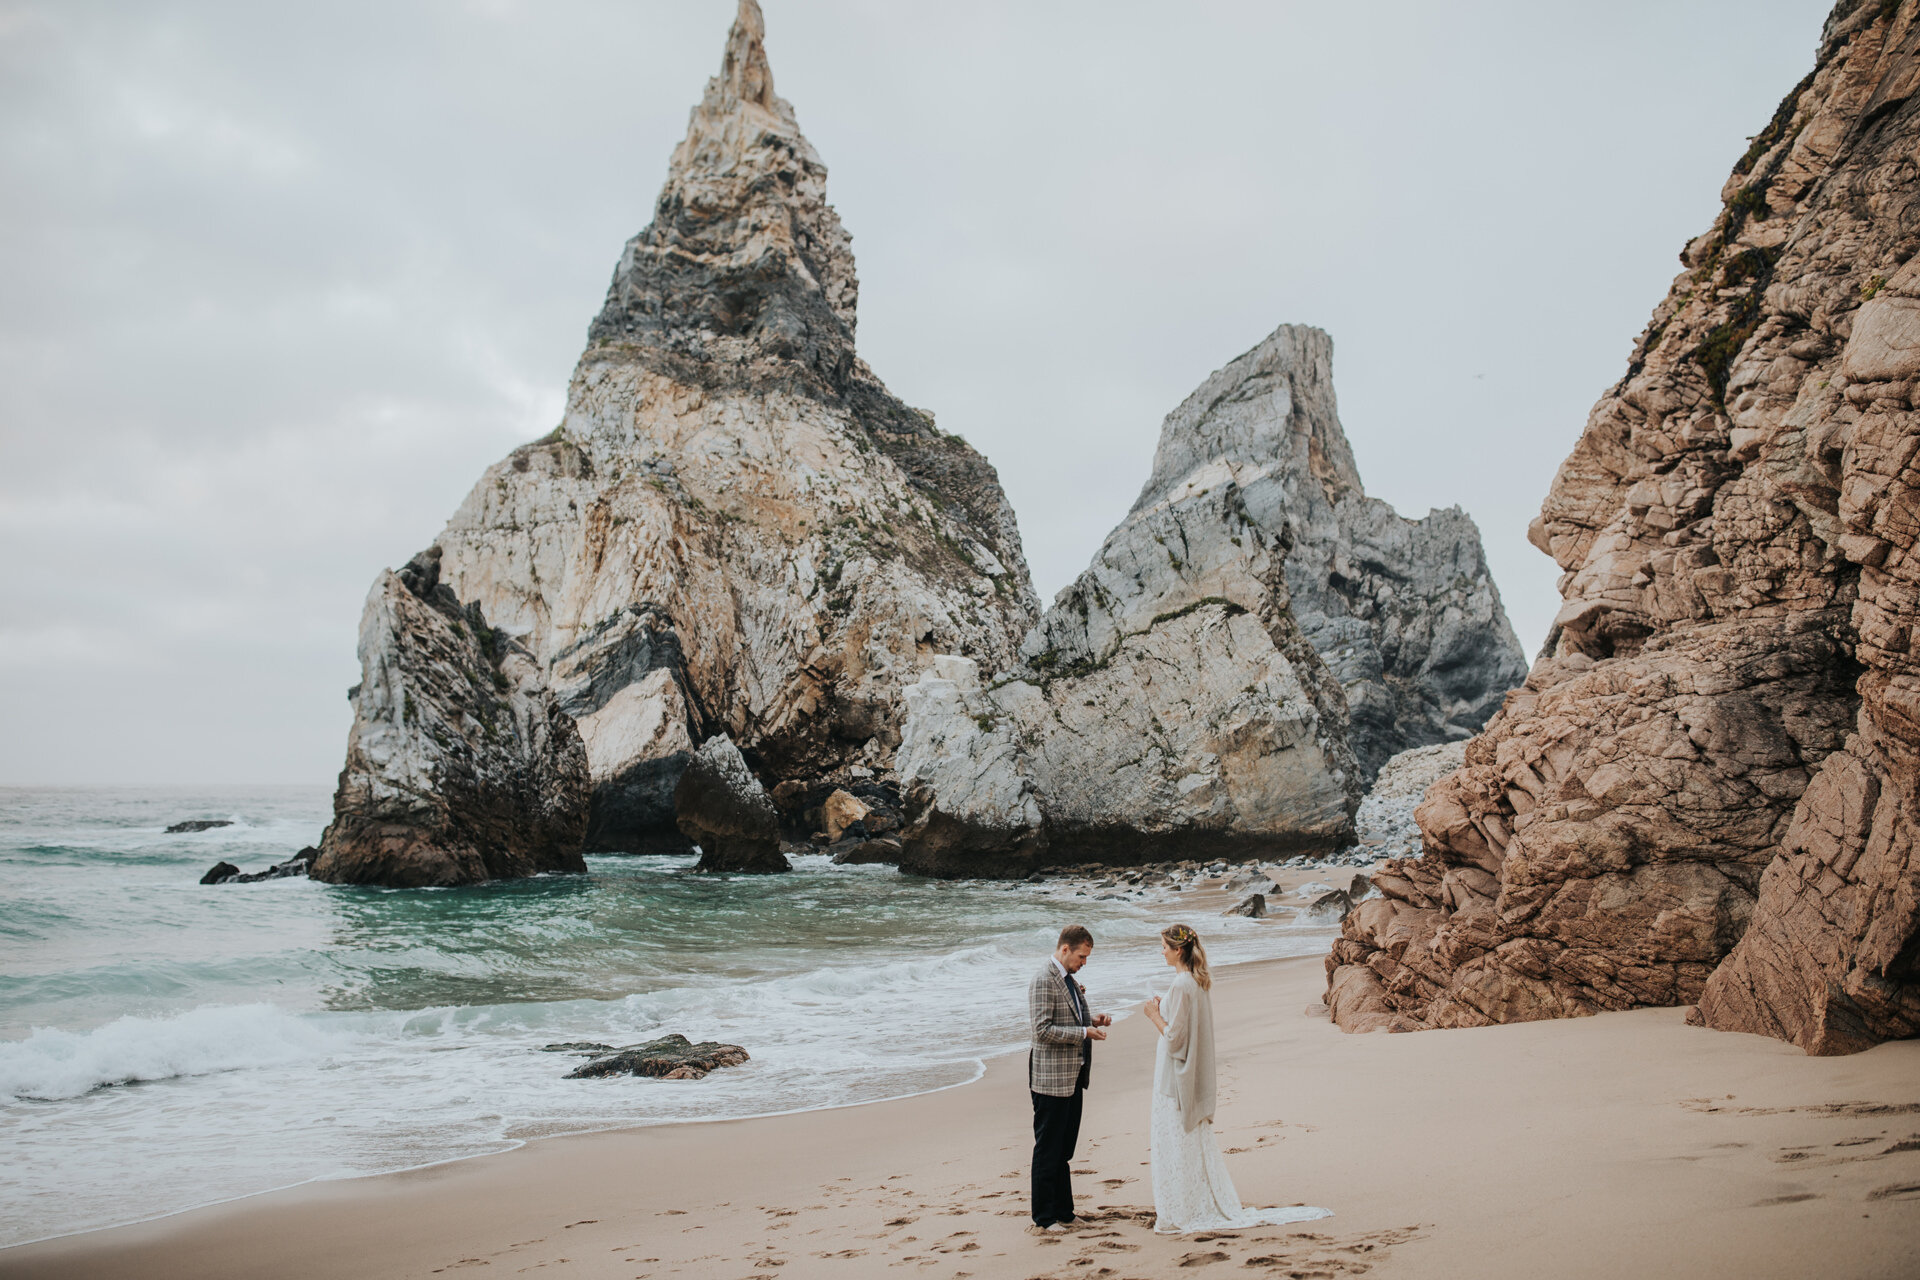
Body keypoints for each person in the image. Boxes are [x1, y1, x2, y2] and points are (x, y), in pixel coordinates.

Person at [1141, 923, 1331, 1234]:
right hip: (1189, 1078)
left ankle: (1182, 1209)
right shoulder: (1196, 983)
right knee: (1189, 1145)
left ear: (1178, 950)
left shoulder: (1181, 985)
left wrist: (1153, 1015)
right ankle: (1192, 1202)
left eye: (1164, 946)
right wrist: (1166, 1009)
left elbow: (1175, 1038)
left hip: (1175, 1080)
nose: (1160, 951)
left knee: (1175, 1144)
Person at [1027, 923, 1110, 1234]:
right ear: (1064, 949)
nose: (1084, 963)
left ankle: (1065, 1212)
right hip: (1050, 1079)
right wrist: (1083, 1032)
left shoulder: (1069, 980)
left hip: (1072, 1076)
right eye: (1082, 956)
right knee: (1048, 1149)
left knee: (1064, 1150)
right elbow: (1042, 1030)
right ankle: (1044, 1218)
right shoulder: (1043, 980)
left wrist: (1092, 1019)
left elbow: (1068, 1016)